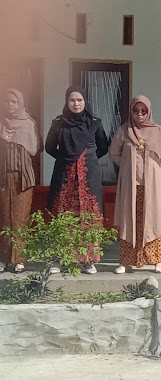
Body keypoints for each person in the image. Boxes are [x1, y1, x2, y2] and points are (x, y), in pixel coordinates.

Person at [45, 86, 108, 275]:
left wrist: (86, 158)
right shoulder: (59, 123)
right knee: (64, 213)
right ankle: (59, 259)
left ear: (85, 101)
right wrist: (66, 157)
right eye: (72, 100)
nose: (76, 103)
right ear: (67, 102)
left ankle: (88, 260)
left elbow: (103, 146)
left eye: (79, 100)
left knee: (87, 215)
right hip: (65, 176)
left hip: (88, 175)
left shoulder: (94, 123)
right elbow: (49, 147)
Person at [110, 96, 161, 274]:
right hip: (131, 186)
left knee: (152, 220)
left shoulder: (158, 131)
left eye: (143, 111)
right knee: (129, 220)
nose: (139, 114)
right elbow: (114, 153)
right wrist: (127, 166)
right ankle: (125, 262)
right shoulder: (124, 130)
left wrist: (155, 166)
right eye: (136, 111)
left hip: (151, 186)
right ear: (131, 111)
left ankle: (157, 261)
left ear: (149, 112)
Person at [0, 88, 42, 273]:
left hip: (23, 178)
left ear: (20, 103)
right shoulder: (1, 122)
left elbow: (37, 148)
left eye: (14, 102)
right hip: (3, 177)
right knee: (4, 218)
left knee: (20, 219)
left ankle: (20, 260)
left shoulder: (29, 124)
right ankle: (3, 259)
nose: (10, 105)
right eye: (7, 101)